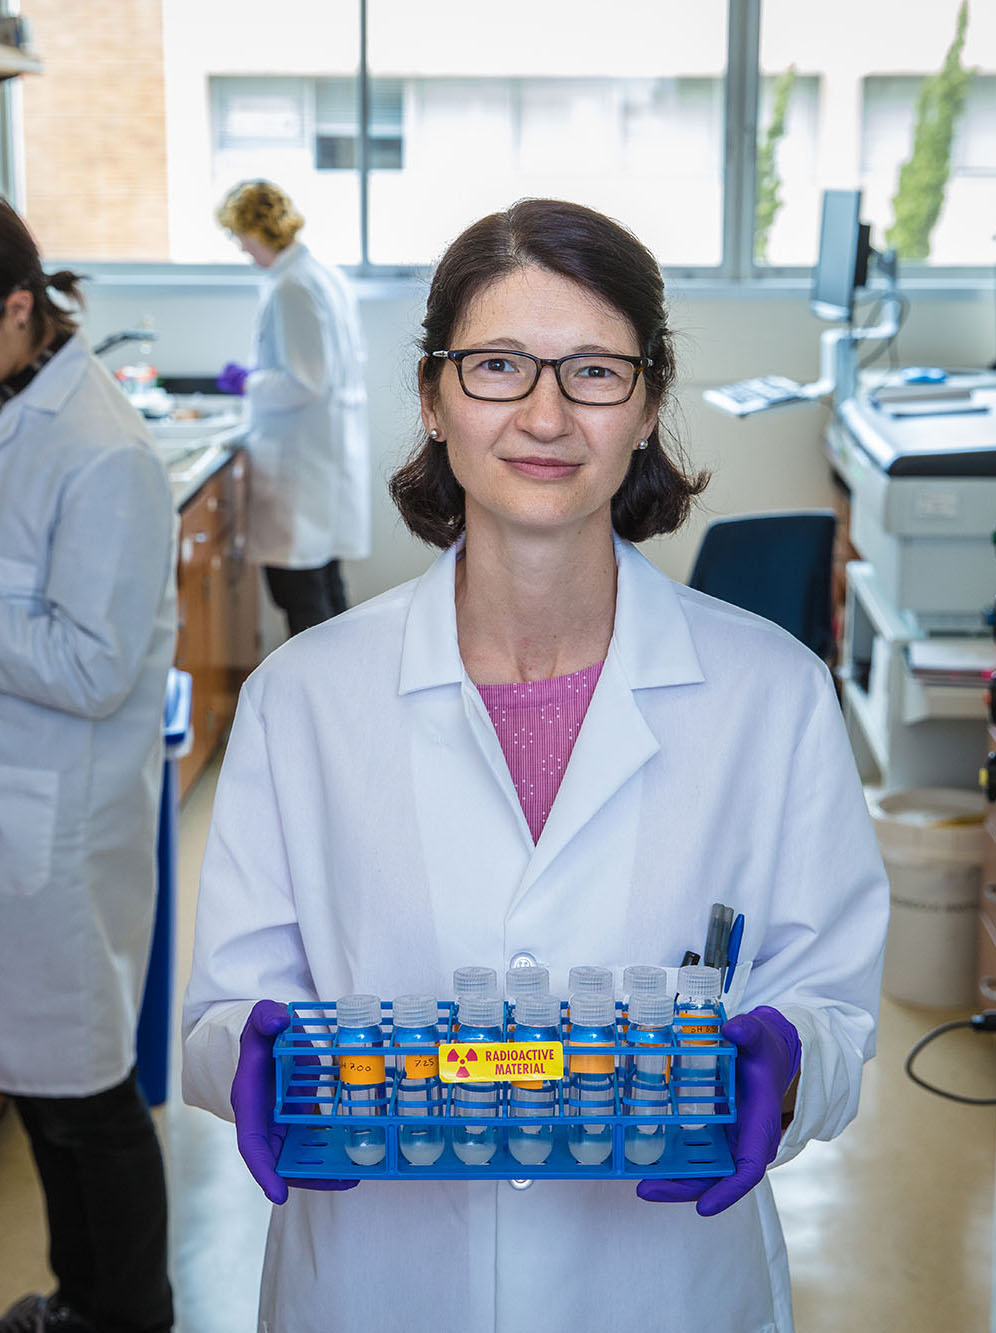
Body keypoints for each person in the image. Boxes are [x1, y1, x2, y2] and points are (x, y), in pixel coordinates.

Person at [182, 198, 888, 1331]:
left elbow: (838, 1009)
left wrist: (790, 1061)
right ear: (432, 396)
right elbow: (225, 1010)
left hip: (665, 1292)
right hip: (375, 1286)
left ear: (649, 400)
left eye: (595, 371)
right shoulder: (301, 699)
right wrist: (248, 1057)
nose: (547, 415)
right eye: (498, 366)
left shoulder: (774, 695)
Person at [0, 204, 176, 1331]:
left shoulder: (101, 447)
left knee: (86, 1093)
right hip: (23, 808)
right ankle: (79, 1298)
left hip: (59, 822)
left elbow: (95, 663)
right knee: (39, 1082)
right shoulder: (22, 403)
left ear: (16, 309)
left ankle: (126, 1314)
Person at [215, 179, 370, 636]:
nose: (241, 248)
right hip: (320, 462)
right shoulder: (321, 276)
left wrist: (249, 382)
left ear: (255, 229)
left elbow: (306, 381)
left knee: (303, 600)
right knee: (324, 594)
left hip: (300, 470)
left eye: (239, 236)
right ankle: (343, 698)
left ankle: (319, 703)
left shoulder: (291, 286)